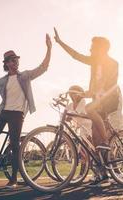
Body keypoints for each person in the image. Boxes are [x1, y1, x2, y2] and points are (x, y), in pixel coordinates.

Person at [54, 28, 122, 185]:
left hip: (110, 99)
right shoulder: (94, 62)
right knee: (94, 137)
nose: (90, 49)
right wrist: (60, 42)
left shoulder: (113, 63)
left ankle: (106, 143)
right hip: (98, 100)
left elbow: (110, 84)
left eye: (93, 47)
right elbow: (75, 55)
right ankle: (103, 173)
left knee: (90, 109)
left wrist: (95, 93)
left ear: (101, 48)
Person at [0, 34, 52, 188]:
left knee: (15, 145)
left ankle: (14, 179)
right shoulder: (2, 81)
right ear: (7, 64)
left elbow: (43, 68)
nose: (15, 62)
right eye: (12, 60)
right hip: (2, 113)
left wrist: (49, 49)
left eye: (17, 60)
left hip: (17, 115)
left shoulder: (25, 76)